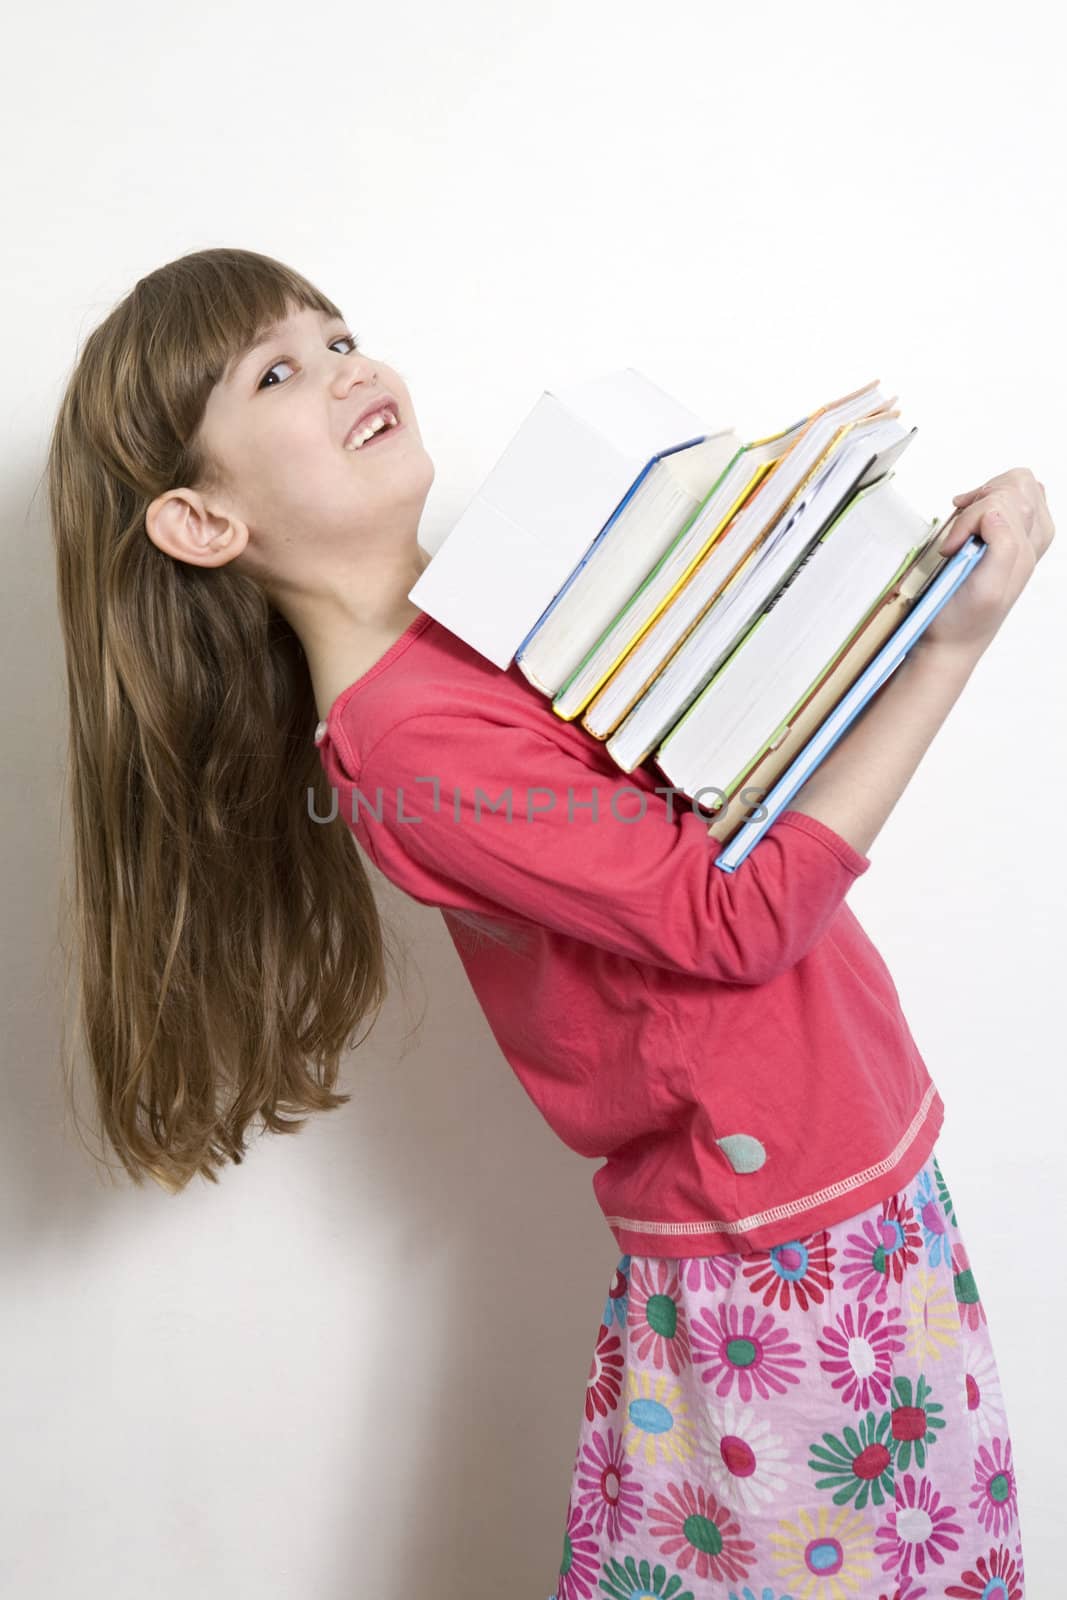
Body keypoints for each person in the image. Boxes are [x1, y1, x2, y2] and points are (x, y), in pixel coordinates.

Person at [46, 246, 1051, 1598]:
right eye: (278, 372)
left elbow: (709, 803)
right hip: (780, 1254)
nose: (348, 369)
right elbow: (730, 912)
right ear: (202, 522)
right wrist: (949, 647)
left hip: (849, 1184)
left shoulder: (474, 635)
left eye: (340, 336)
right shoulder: (404, 741)